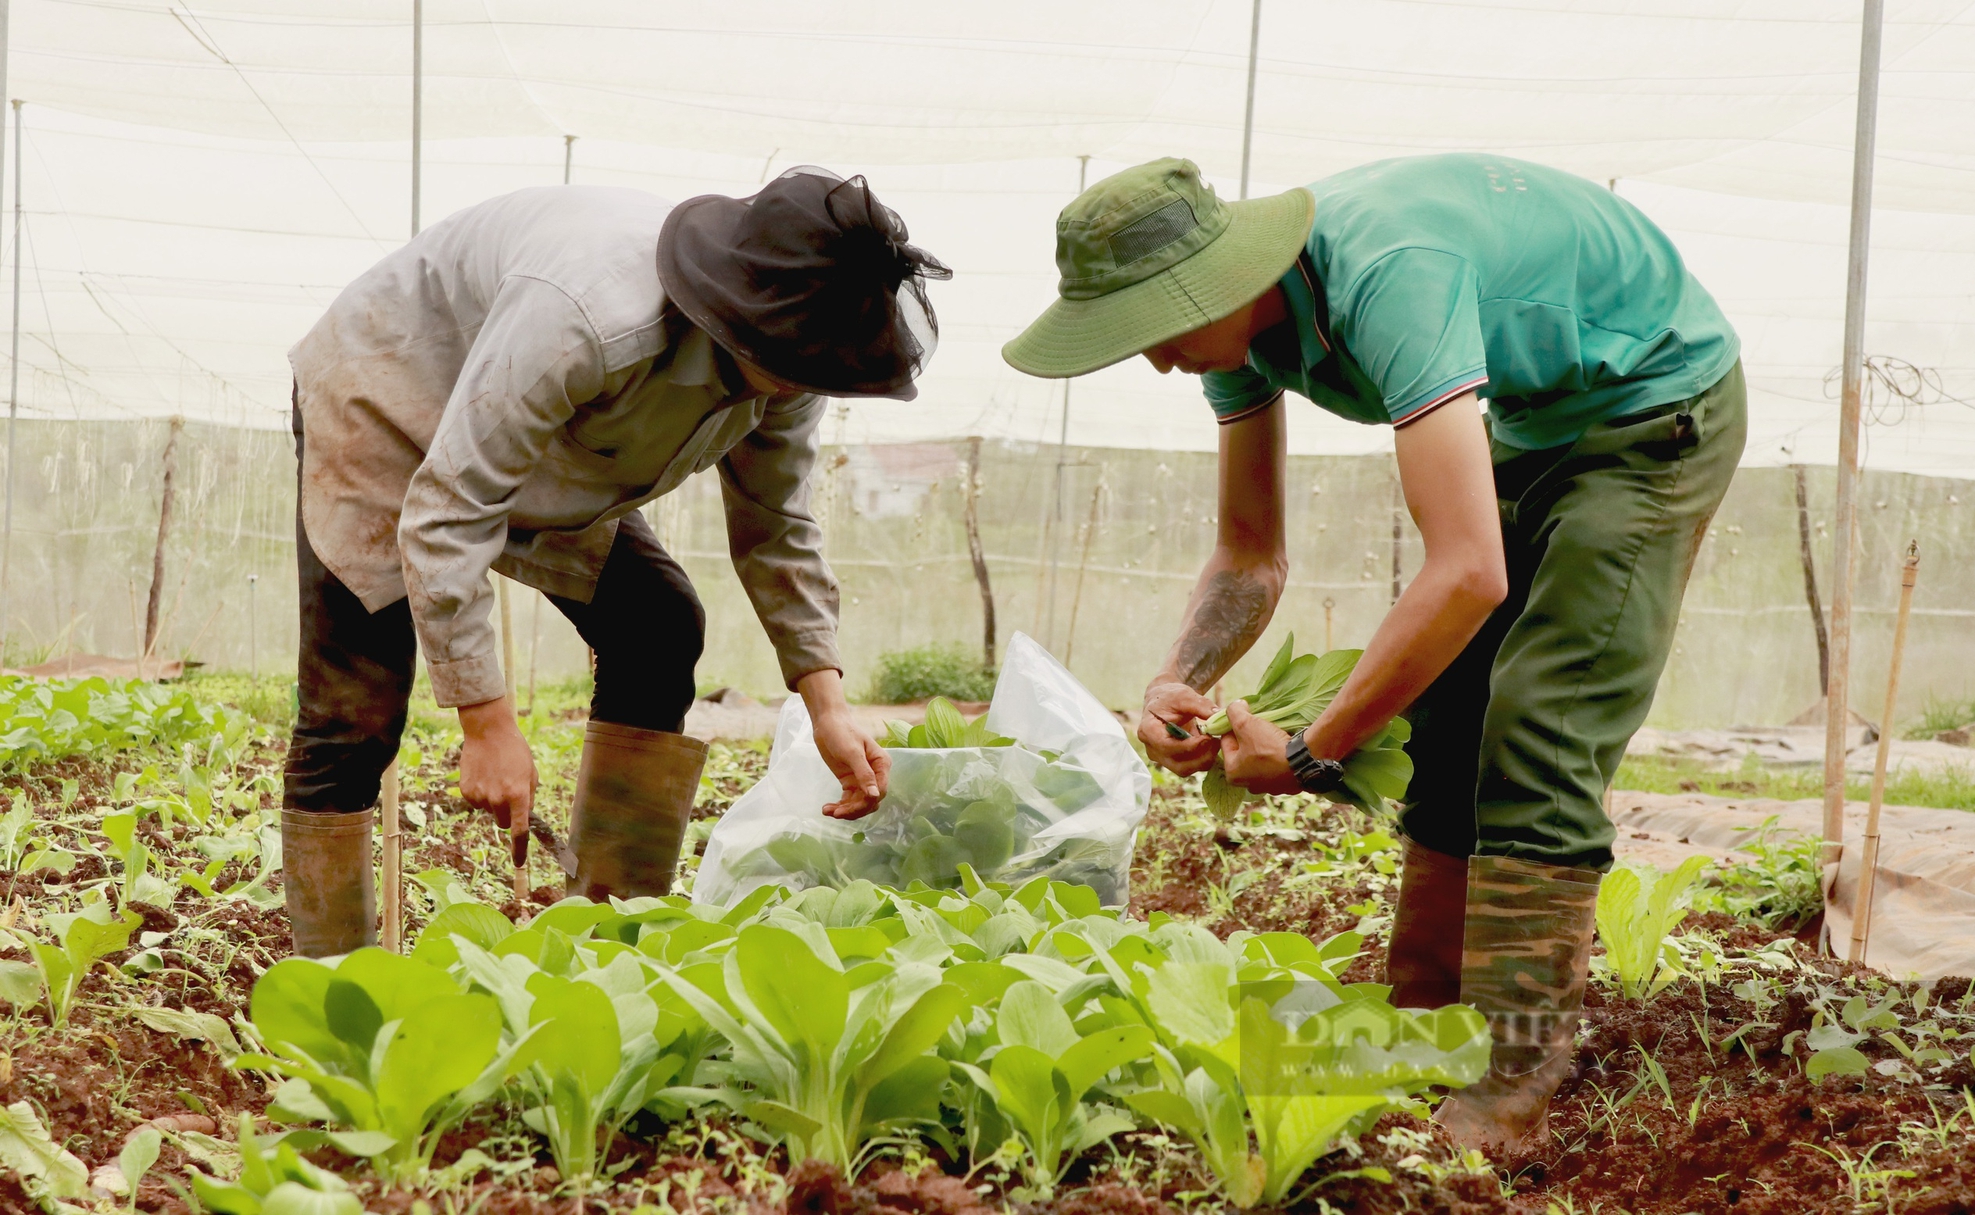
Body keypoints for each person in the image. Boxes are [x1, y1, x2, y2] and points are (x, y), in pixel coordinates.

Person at [1004, 155, 1742, 1149]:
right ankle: (1425, 1026)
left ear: (1215, 284)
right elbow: (1249, 553)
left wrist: (1312, 751)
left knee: (1537, 719)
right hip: (1535, 418)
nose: (1155, 361)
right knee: (1443, 718)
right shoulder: (1234, 337)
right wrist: (1181, 675)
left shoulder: (1390, 278)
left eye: (1154, 329)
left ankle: (1513, 1080)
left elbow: (1467, 572)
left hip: (1653, 405)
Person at [283, 169, 947, 957]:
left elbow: (777, 524)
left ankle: (606, 944)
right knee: (354, 716)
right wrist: (487, 723)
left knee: (659, 624)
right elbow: (453, 504)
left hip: (548, 450)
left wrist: (825, 703)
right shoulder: (586, 317)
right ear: (743, 308)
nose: (811, 384)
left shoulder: (794, 358)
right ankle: (331, 995)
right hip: (388, 406)